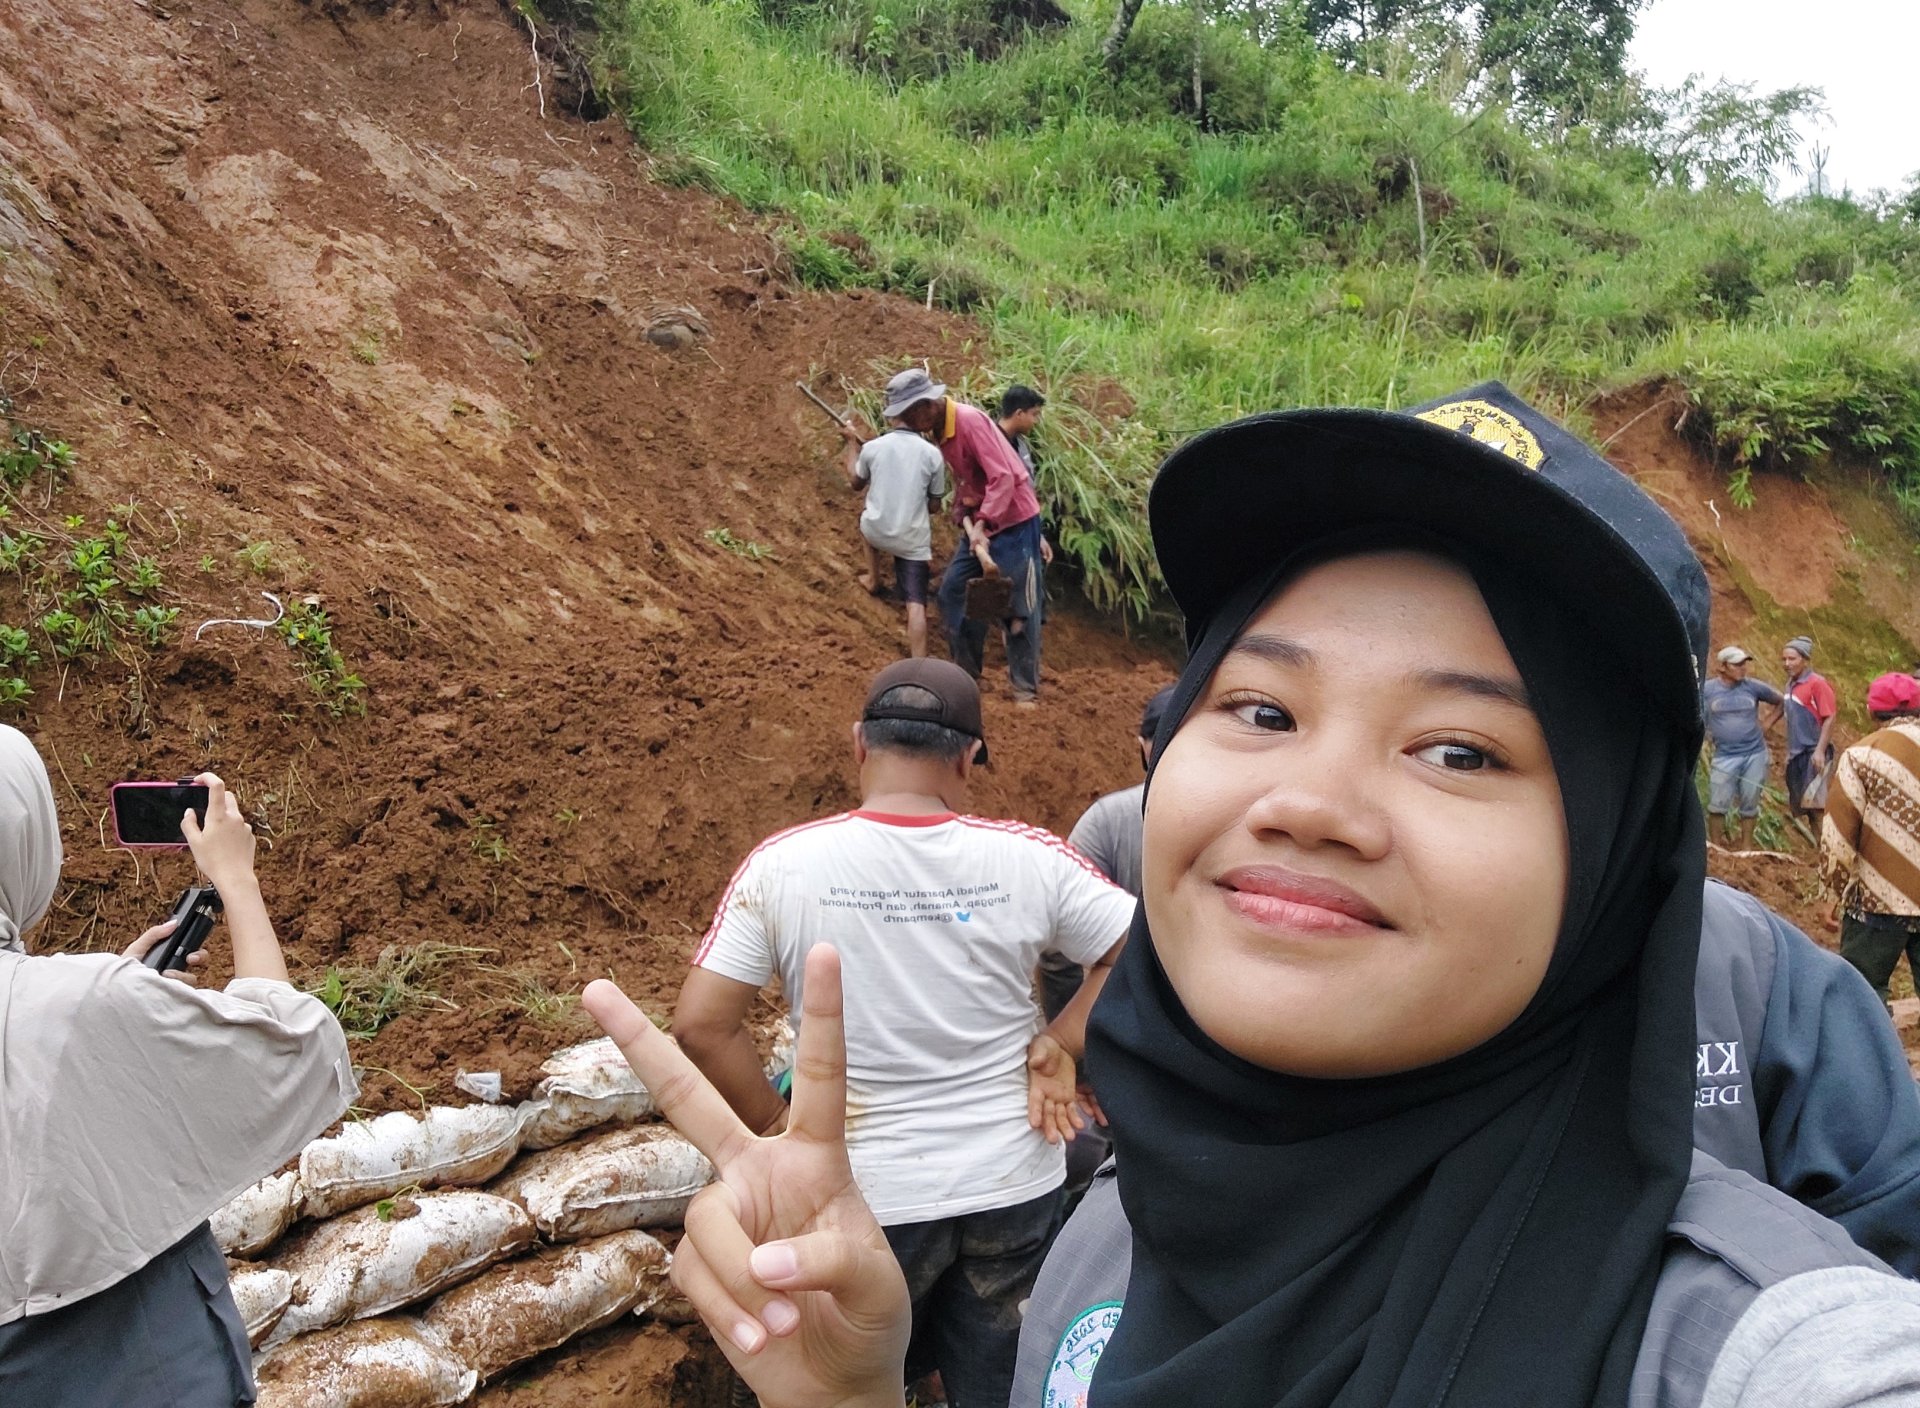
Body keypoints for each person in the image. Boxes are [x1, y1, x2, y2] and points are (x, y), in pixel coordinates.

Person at [581, 383, 1920, 1408]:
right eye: (1262, 706)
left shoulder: (1741, 1341)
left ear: (1624, 861)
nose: (1308, 802)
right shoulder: (1103, 1258)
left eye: (1461, 749)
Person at [670, 658, 1133, 1408]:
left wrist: (775, 1125)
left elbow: (699, 1024)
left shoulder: (783, 865)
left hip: (862, 1193)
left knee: (858, 1377)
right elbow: (1137, 948)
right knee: (999, 1380)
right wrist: (1064, 1041)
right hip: (1010, 1181)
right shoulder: (1028, 857)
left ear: (859, 744)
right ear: (969, 756)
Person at [0, 729, 355, 1405]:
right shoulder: (79, 1002)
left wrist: (115, 1002)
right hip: (129, 1367)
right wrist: (236, 880)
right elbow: (293, 1050)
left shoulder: (78, 1001)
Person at [884, 368, 1050, 705]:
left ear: (925, 406)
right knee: (952, 593)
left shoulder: (968, 421)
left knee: (1020, 610)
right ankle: (968, 676)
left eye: (906, 414)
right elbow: (969, 479)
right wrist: (962, 509)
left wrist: (984, 525)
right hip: (983, 524)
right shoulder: (940, 433)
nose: (904, 422)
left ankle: (1024, 692)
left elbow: (1004, 477)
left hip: (1015, 522)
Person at [1821, 671, 1920, 1007]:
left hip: (1878, 896)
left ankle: (1874, 1058)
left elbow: (1839, 833)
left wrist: (1831, 892)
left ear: (1872, 711)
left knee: (1863, 993)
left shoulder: (1861, 756)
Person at [840, 405, 949, 659]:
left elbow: (856, 483)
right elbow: (934, 506)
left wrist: (852, 445)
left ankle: (873, 579)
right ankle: (918, 660)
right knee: (916, 605)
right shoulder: (933, 455)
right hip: (911, 542)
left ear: (892, 417)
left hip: (877, 531)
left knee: (866, 525)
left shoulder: (873, 448)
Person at [1701, 644, 1783, 849]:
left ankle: (1746, 847)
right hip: (1724, 755)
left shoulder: (1753, 687)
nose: (1742, 669)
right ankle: (1716, 847)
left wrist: (1767, 724)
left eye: (1743, 664)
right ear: (1723, 667)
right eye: (1736, 665)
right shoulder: (1708, 690)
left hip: (1754, 753)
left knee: (1750, 802)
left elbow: (1781, 701)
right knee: (1717, 804)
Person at [1780, 634, 1838, 823]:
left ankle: (1827, 848)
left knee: (1817, 805)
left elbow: (1830, 716)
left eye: (1792, 659)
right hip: (1797, 755)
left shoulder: (1817, 684)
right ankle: (1817, 849)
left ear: (1804, 660)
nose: (1787, 663)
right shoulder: (1790, 685)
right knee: (1806, 807)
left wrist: (1820, 750)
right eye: (1784, 659)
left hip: (1814, 752)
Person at [996, 385, 1046, 478]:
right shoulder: (991, 443)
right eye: (1034, 414)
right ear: (1019, 414)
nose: (1037, 421)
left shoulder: (1019, 442)